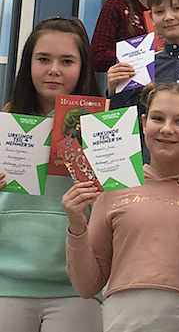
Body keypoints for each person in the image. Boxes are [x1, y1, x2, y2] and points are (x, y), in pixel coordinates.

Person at [63, 82, 179, 332]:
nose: (166, 129)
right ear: (143, 123)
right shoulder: (113, 188)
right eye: (157, 118)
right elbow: (86, 286)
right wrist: (77, 228)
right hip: (123, 323)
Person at [0, 17, 103, 332]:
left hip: (79, 288)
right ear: (27, 65)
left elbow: (116, 210)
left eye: (67, 61)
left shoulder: (105, 128)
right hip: (6, 282)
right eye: (43, 59)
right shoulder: (5, 121)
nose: (54, 69)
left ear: (83, 67)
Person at [107, 0, 179, 97]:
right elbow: (131, 107)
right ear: (151, 17)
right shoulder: (143, 64)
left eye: (177, 8)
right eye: (159, 11)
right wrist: (113, 90)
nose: (168, 17)